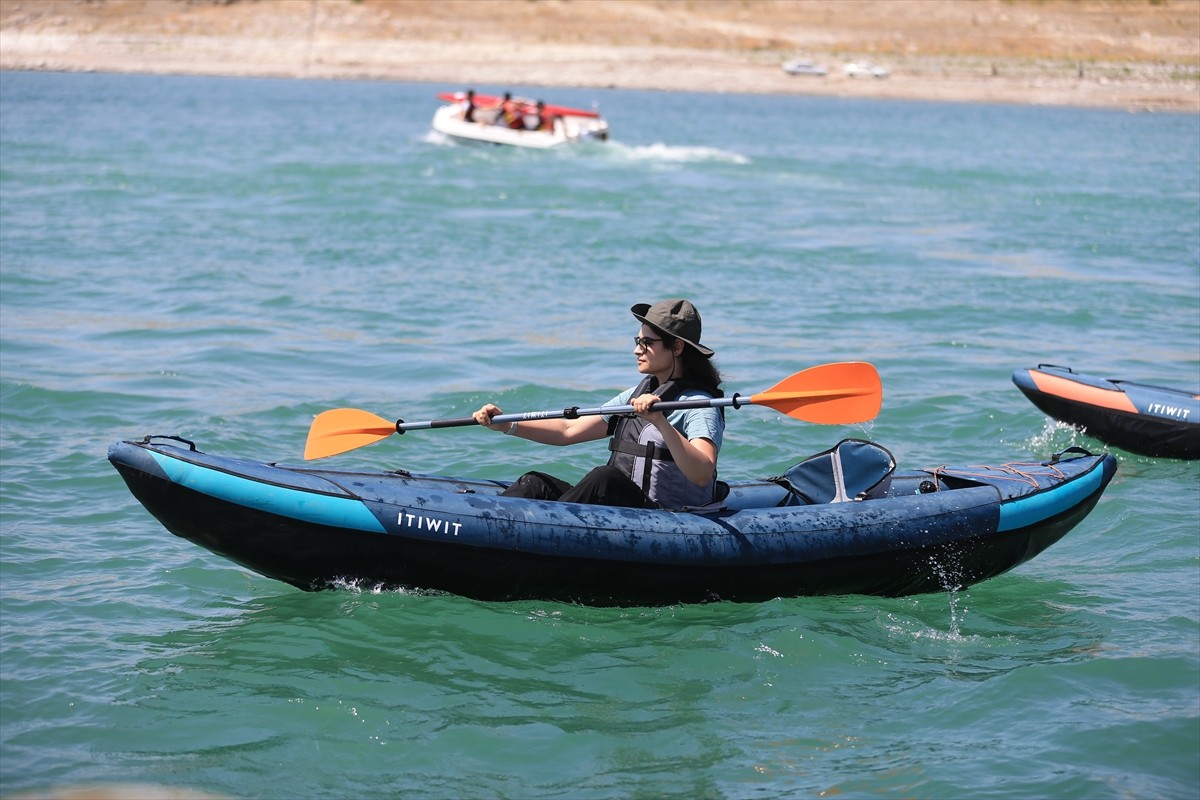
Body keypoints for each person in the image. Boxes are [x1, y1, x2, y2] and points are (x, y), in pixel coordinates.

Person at [473, 299, 725, 510]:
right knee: (534, 483)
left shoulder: (698, 404)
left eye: (646, 343)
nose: (637, 350)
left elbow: (702, 473)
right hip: (625, 508)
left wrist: (659, 421)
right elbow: (567, 431)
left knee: (604, 479)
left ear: (677, 347)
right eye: (637, 341)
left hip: (666, 517)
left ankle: (547, 533)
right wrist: (507, 425)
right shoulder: (635, 395)